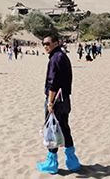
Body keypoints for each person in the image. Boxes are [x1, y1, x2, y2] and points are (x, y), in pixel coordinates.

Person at [36, 35, 79, 174]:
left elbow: (53, 83)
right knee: (65, 128)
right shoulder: (63, 56)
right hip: (65, 100)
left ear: (56, 43)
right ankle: (72, 162)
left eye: (48, 43)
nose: (45, 46)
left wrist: (50, 102)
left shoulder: (56, 58)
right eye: (43, 43)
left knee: (52, 130)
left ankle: (51, 163)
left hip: (56, 101)